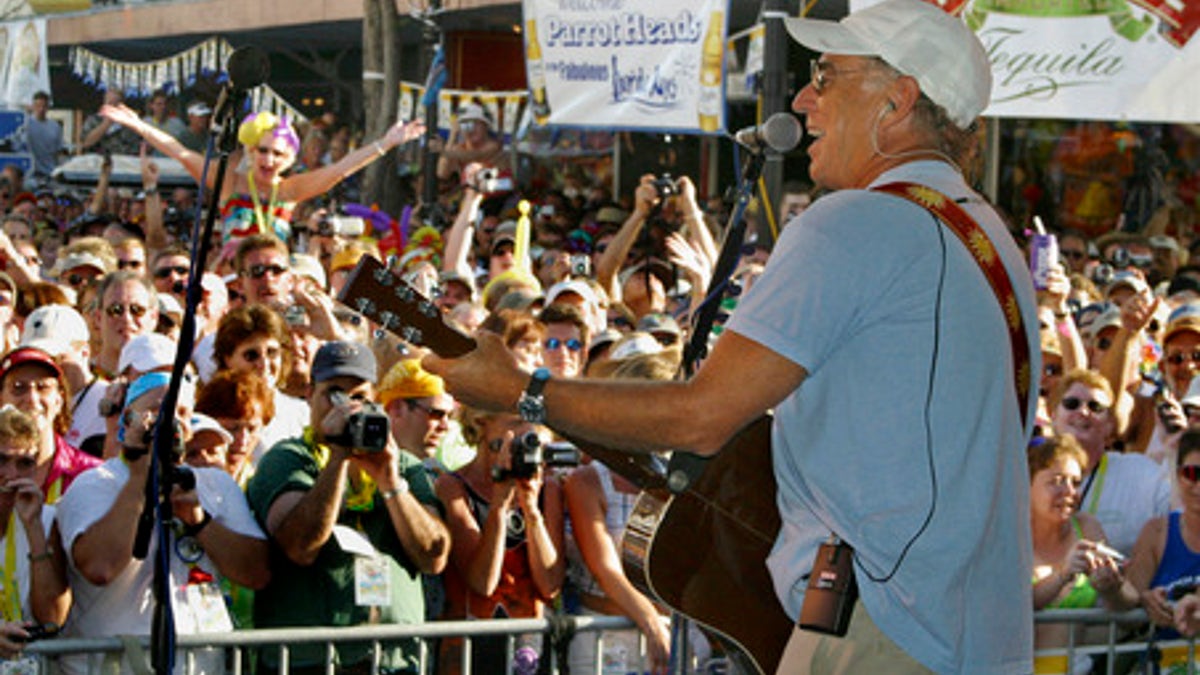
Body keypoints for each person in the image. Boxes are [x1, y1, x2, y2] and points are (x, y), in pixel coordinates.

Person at [424, 0, 1039, 672]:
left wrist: (521, 389)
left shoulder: (858, 224)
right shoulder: (991, 238)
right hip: (974, 632)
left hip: (883, 629)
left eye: (828, 76)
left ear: (897, 102)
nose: (804, 99)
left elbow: (702, 415)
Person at [246, 341, 450, 673]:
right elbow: (300, 545)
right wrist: (339, 455)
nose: (348, 408)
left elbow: (433, 556)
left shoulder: (406, 465)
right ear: (310, 393)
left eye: (359, 398)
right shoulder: (289, 459)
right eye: (334, 394)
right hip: (309, 661)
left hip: (392, 659)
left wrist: (390, 482)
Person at [54, 371, 269, 674]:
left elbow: (256, 573)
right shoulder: (95, 483)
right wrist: (142, 478)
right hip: (114, 664)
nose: (172, 421)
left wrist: (197, 520)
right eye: (158, 410)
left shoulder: (215, 483)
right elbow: (99, 567)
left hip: (199, 665)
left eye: (182, 412)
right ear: (128, 420)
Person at [99, 103, 423, 244]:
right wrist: (140, 126)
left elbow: (340, 170)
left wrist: (386, 143)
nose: (269, 159)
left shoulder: (289, 190)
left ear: (289, 159)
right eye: (262, 151)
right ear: (251, 151)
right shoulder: (229, 182)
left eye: (277, 154)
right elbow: (182, 153)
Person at [434, 409, 565, 674]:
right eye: (517, 422)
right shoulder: (453, 486)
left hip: (530, 649)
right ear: (482, 423)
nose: (529, 432)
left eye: (538, 424)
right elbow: (482, 581)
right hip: (469, 648)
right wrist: (499, 507)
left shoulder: (547, 488)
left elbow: (550, 585)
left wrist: (531, 509)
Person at [1028, 435, 1124, 675]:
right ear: (1026, 485)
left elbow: (1128, 601)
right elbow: (1011, 606)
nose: (1070, 492)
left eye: (1076, 482)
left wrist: (1112, 587)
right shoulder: (1008, 533)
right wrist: (1063, 574)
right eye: (1057, 481)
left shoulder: (1087, 526)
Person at [0, 347, 101, 504]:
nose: (32, 399)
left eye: (43, 387)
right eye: (19, 387)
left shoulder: (89, 475)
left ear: (58, 400)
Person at [26, 91, 63, 184]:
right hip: (31, 174)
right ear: (33, 106)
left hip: (50, 173)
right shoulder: (26, 125)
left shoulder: (55, 126)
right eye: (38, 106)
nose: (41, 109)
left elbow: (58, 152)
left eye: (44, 106)